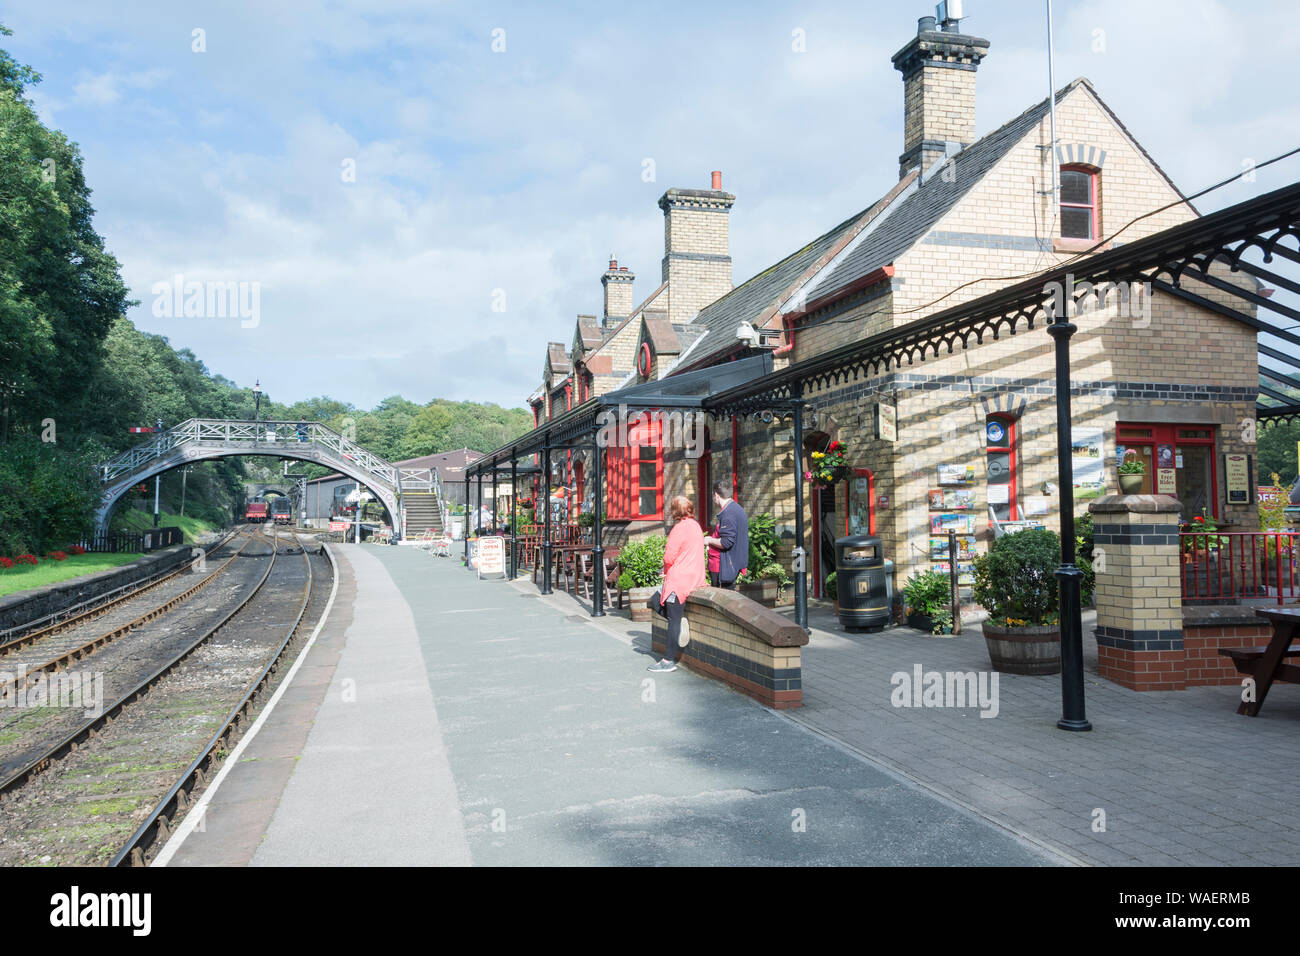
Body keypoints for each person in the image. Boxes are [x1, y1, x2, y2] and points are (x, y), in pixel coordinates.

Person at [647, 495, 706, 673]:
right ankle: (680, 624)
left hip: (678, 580)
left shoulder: (679, 529)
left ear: (675, 510)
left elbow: (669, 557)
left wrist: (665, 570)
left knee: (672, 618)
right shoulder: (696, 526)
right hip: (694, 577)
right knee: (657, 601)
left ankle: (668, 661)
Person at [703, 481, 747, 589]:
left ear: (716, 495)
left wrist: (709, 540)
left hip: (723, 567)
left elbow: (726, 542)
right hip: (730, 564)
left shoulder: (729, 513)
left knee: (722, 600)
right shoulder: (737, 509)